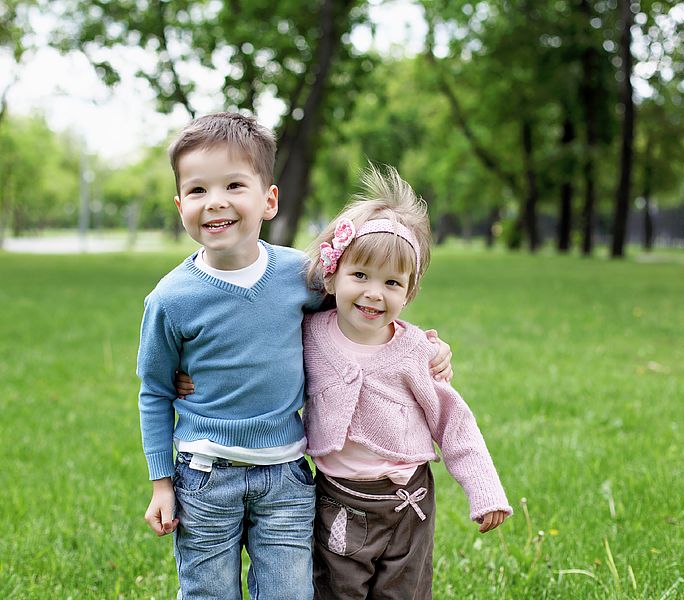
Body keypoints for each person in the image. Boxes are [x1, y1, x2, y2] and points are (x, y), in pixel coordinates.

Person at [137, 112, 452, 600]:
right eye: (198, 191)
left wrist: (427, 347)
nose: (216, 202)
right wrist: (161, 482)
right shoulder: (170, 299)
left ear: (269, 200)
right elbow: (154, 390)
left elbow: (363, 310)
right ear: (180, 205)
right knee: (209, 593)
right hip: (204, 477)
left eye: (234, 186)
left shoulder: (297, 276)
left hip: (286, 476)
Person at [302, 164, 512, 600]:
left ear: (409, 291)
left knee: (404, 592)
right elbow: (255, 359)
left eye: (392, 282)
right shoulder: (309, 335)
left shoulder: (417, 353)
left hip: (407, 503)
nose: (374, 293)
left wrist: (485, 490)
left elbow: (453, 423)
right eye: (359, 276)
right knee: (336, 590)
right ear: (333, 274)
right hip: (337, 499)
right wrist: (192, 376)